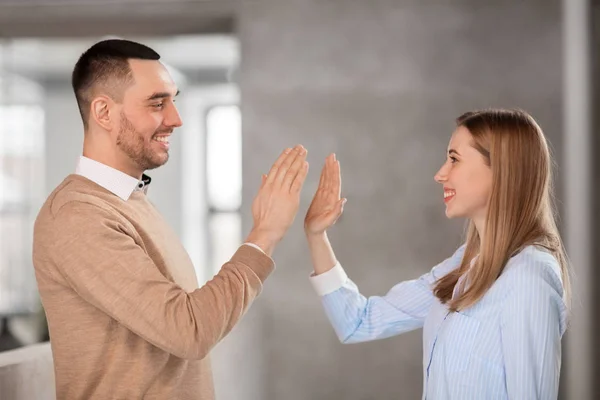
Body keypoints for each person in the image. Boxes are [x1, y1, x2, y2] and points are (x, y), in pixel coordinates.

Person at [32, 39, 308, 400]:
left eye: (173, 100)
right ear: (103, 113)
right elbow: (189, 330)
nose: (176, 118)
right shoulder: (78, 216)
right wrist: (265, 234)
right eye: (157, 103)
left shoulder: (131, 201)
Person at [304, 109, 570, 399]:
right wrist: (316, 235)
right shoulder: (466, 264)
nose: (440, 174)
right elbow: (357, 322)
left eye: (454, 159)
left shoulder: (530, 277)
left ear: (502, 169)